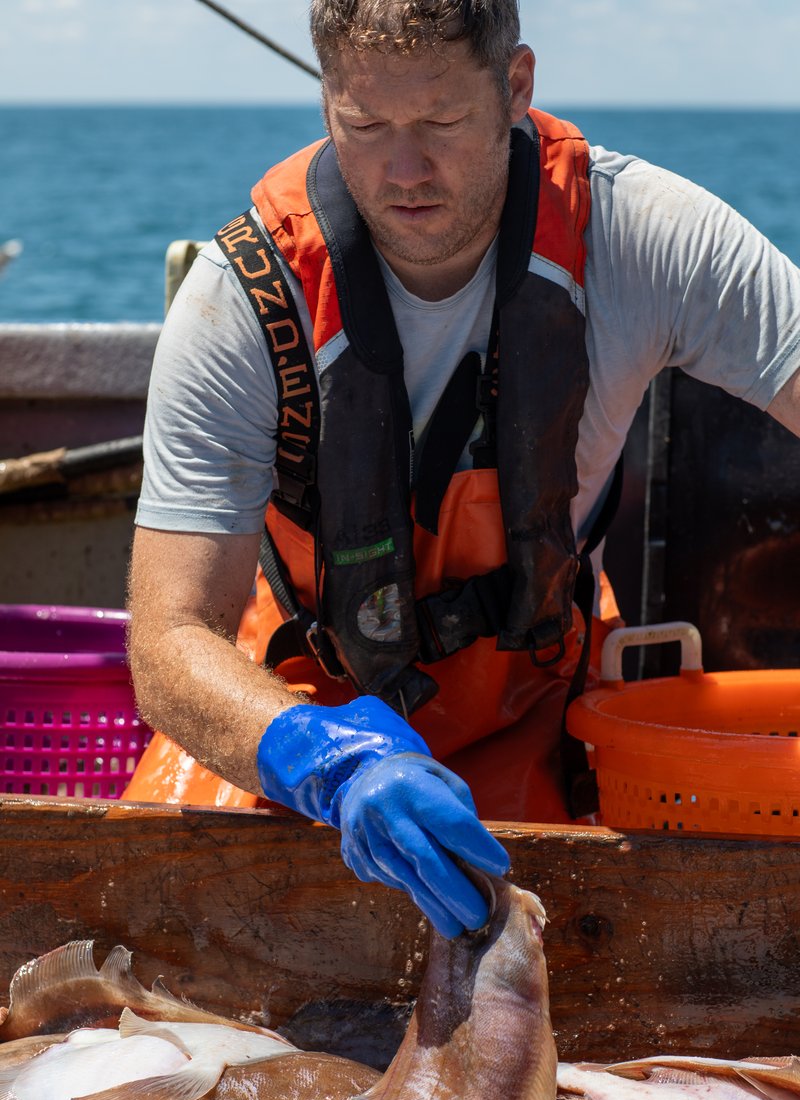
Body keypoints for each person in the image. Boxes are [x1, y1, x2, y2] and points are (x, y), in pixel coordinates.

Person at [124, 0, 800, 938]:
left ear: (516, 87)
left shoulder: (647, 238)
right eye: (365, 126)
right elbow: (167, 644)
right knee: (156, 963)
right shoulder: (243, 300)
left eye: (440, 122)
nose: (404, 171)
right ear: (326, 104)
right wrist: (329, 761)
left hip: (532, 703)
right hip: (291, 714)